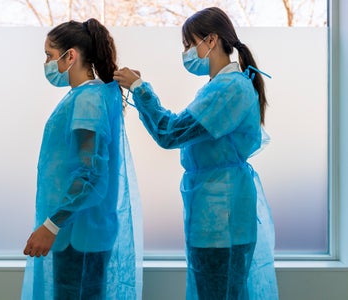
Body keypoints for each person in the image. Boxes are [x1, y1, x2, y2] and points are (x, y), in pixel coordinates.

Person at [114, 7, 278, 300]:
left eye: (189, 44)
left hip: (222, 214)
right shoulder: (219, 87)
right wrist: (139, 90)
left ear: (211, 40)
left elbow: (172, 133)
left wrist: (140, 88)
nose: (186, 53)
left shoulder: (229, 89)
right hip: (215, 208)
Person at [21, 18, 143, 300]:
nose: (47, 63)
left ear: (70, 55)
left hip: (79, 236)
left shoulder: (88, 99)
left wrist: (51, 226)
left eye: (50, 55)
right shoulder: (89, 95)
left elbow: (90, 176)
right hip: (80, 232)